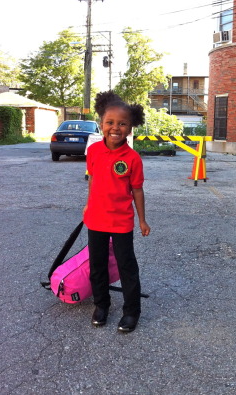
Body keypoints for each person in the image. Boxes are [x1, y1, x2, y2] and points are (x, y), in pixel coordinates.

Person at [83, 91, 150, 333]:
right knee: (97, 265)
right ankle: (101, 306)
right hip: (96, 219)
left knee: (126, 267)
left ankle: (132, 312)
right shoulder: (93, 151)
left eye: (122, 124)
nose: (115, 128)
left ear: (130, 128)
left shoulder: (132, 159)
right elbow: (92, 179)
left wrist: (142, 220)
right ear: (101, 123)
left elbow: (138, 191)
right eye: (110, 122)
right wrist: (89, 204)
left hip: (122, 222)